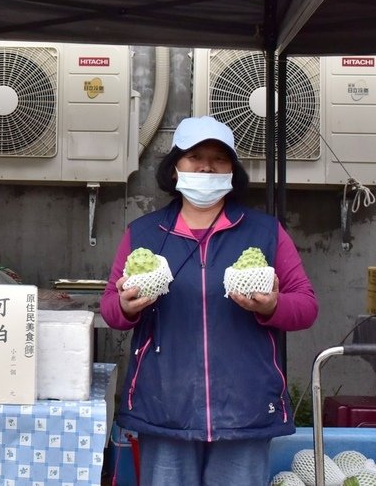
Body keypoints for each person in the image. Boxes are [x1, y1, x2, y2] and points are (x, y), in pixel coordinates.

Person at [100, 115, 318, 486]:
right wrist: (125, 307)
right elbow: (110, 309)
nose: (206, 166)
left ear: (232, 170)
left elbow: (306, 306)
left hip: (244, 406)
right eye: (194, 156)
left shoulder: (264, 232)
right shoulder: (145, 233)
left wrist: (271, 307)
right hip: (165, 404)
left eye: (219, 158)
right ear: (174, 170)